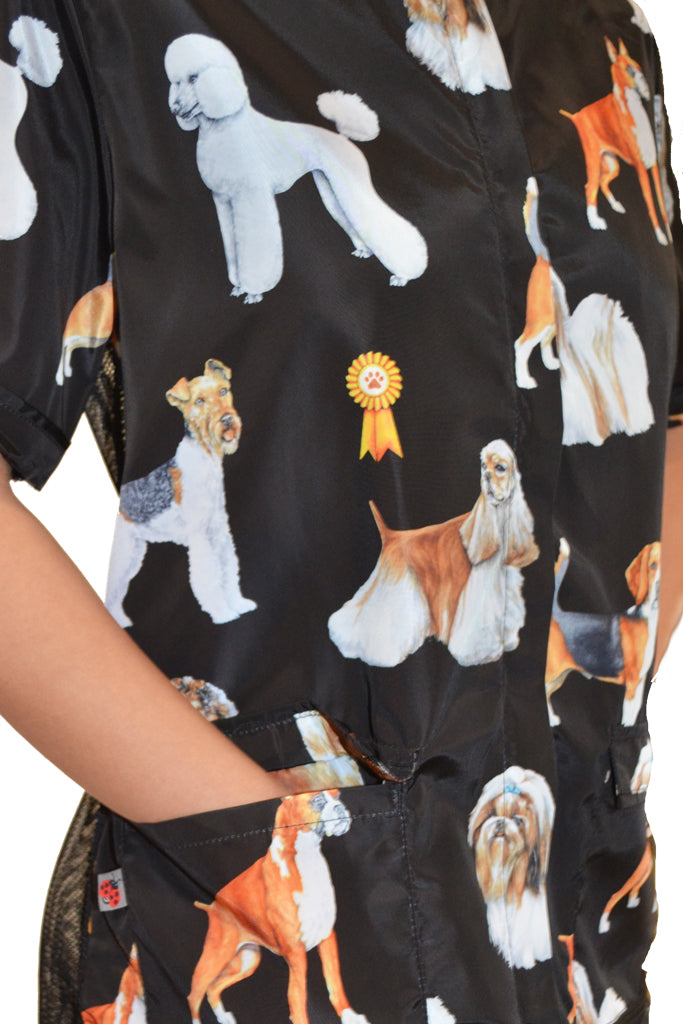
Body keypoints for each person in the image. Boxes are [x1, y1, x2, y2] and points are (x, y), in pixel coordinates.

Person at [1, 1, 682, 1022]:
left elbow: (656, 405)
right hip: (280, 931)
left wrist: (592, 683)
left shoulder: (602, 30)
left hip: (573, 927)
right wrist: (262, 833)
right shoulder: (108, 19)